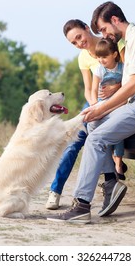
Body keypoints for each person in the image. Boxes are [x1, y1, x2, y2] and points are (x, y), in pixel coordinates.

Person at [47, 1, 135, 224]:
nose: (104, 35)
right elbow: (127, 87)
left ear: (115, 20)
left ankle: (82, 206)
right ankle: (112, 182)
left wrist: (101, 107)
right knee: (92, 124)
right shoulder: (132, 39)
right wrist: (97, 110)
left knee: (94, 139)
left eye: (103, 29)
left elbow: (133, 85)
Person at [45, 19, 121, 210]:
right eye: (74, 42)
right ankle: (55, 191)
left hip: (118, 98)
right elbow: (88, 89)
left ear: (87, 29)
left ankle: (111, 181)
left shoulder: (109, 43)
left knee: (95, 138)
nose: (79, 43)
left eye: (79, 37)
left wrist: (114, 91)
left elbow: (127, 75)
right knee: (74, 141)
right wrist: (95, 105)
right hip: (95, 101)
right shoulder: (83, 57)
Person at [91, 37, 127, 180]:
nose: (101, 60)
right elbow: (94, 89)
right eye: (99, 57)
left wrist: (115, 88)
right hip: (103, 103)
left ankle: (118, 162)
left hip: (119, 103)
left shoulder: (123, 68)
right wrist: (95, 105)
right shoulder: (99, 69)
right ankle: (107, 163)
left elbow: (128, 85)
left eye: (104, 57)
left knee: (117, 128)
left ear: (114, 54)